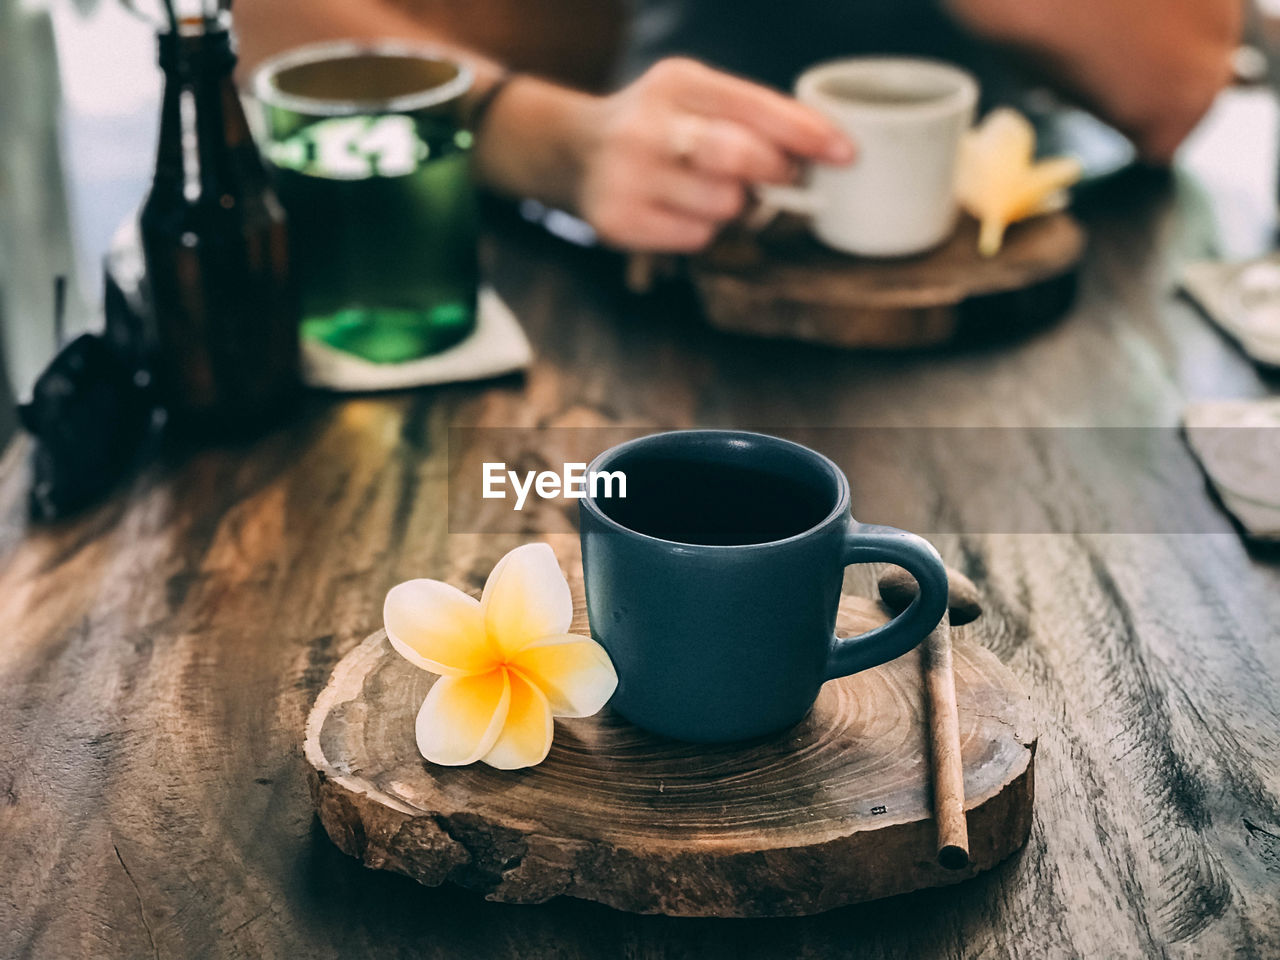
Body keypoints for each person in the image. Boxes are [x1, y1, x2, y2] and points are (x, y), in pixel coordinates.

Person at [236, 0, 1242, 253]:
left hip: (1022, 293)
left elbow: (1171, 79)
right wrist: (544, 136)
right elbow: (261, 21)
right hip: (611, 268)